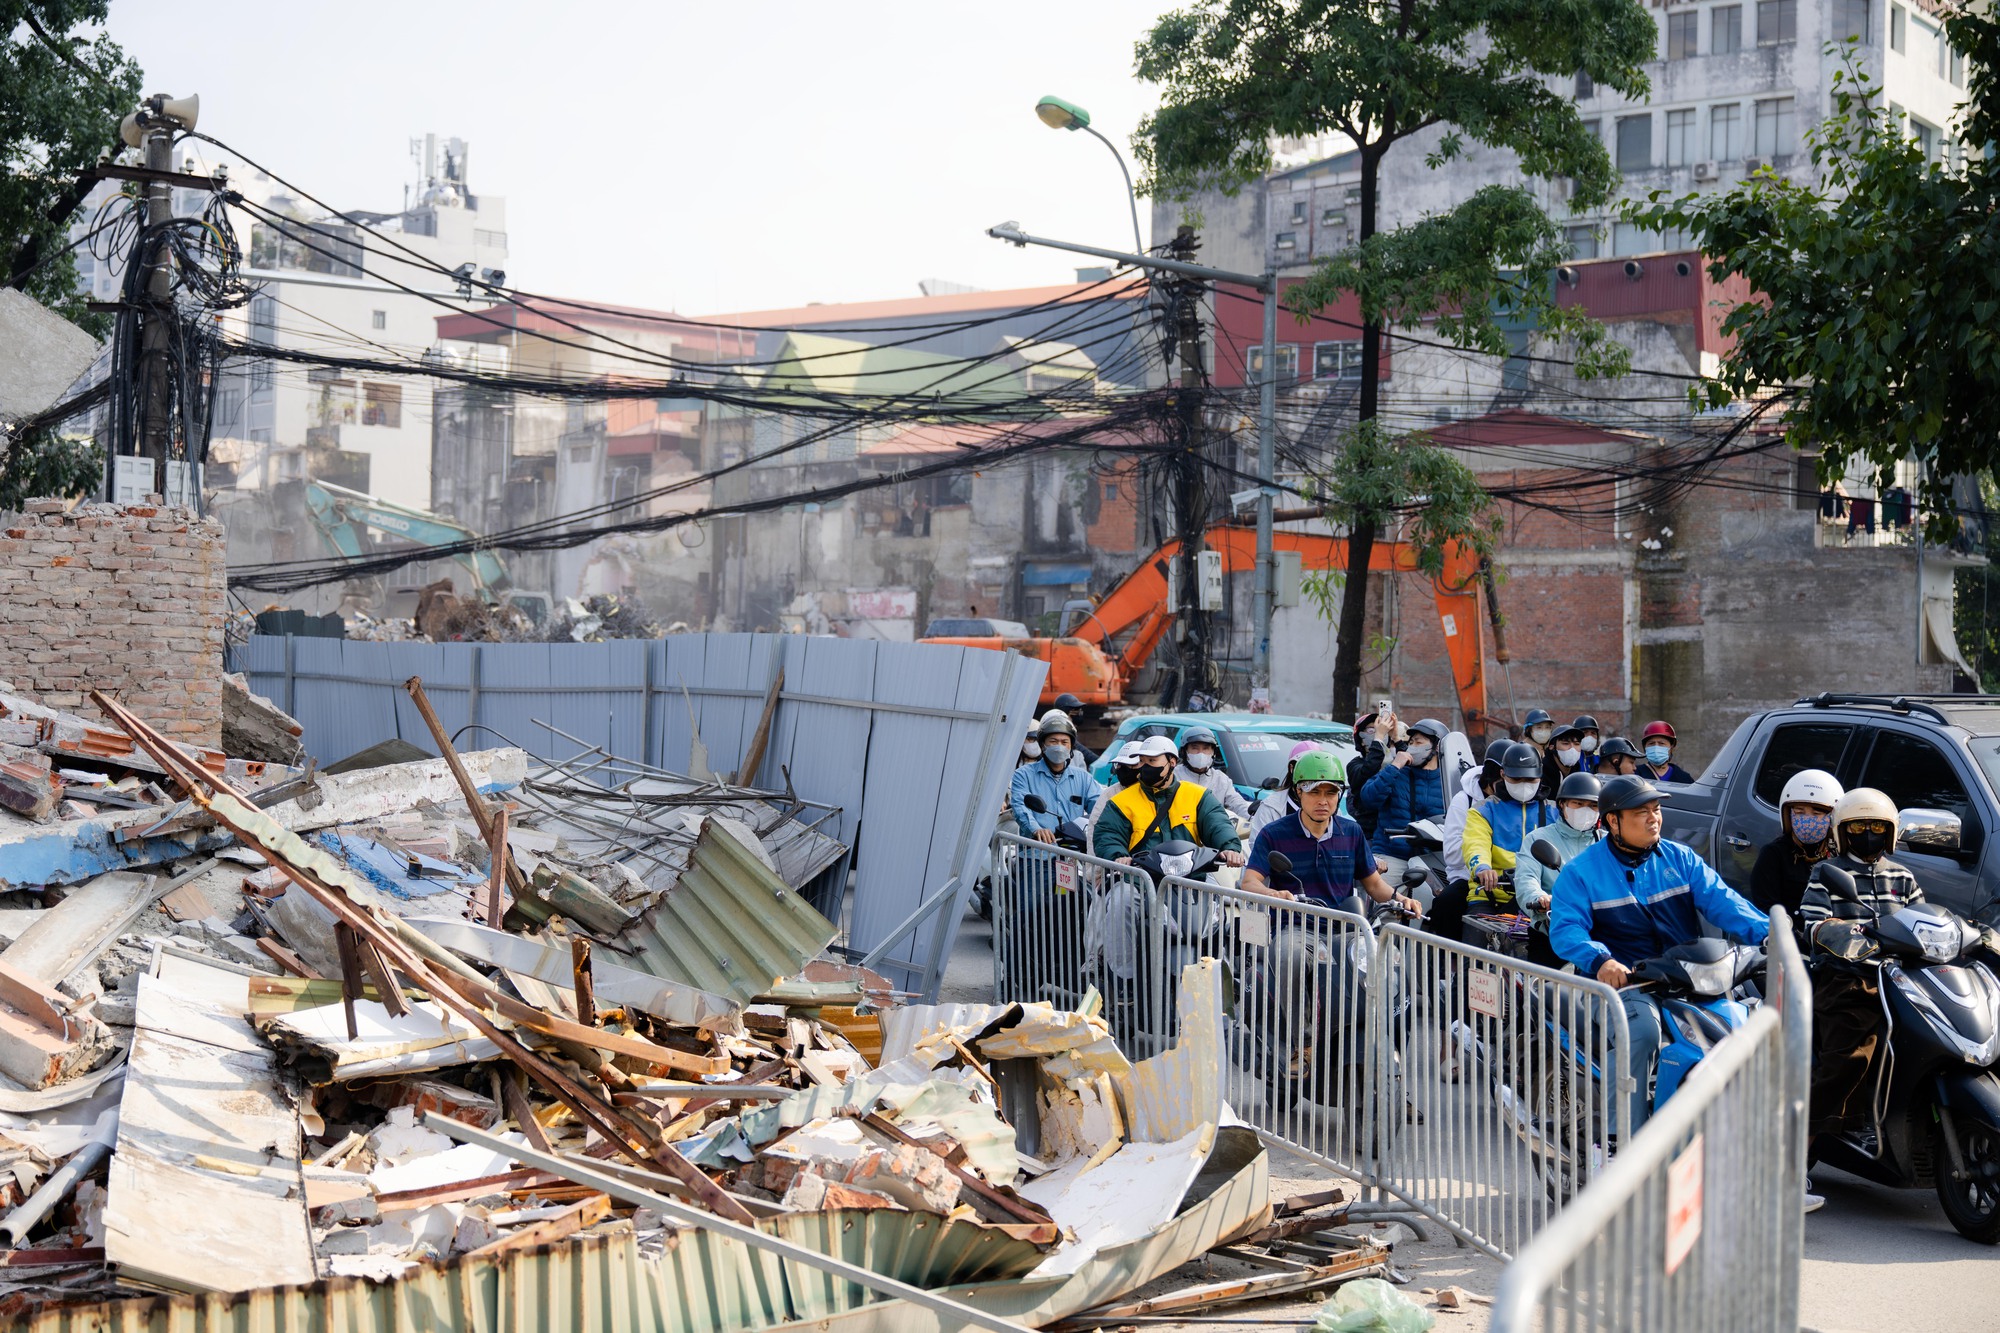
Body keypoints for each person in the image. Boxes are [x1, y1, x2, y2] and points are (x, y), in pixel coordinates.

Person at [1548, 775, 1770, 1133]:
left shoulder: (1681, 858)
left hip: (1686, 979)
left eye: (1657, 809)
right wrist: (1601, 960)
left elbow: (1724, 902)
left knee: (1744, 1025)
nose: (1654, 818)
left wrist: (1773, 933)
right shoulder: (1581, 872)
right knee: (1643, 1033)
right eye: (1641, 812)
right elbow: (1566, 929)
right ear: (1612, 822)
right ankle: (1617, 1143)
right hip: (1624, 987)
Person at [1798, 786, 1924, 1149]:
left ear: (1890, 831)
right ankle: (1804, 1140)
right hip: (1848, 979)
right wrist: (1843, 934)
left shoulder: (1903, 877)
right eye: (1857, 827)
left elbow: (1921, 921)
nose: (1867, 834)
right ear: (1841, 832)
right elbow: (1812, 924)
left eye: (1875, 826)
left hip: (1901, 981)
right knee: (1849, 1055)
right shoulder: (1827, 872)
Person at [1242, 752, 1421, 915]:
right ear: (1298, 792)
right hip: (1293, 927)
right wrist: (1272, 894)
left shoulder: (1352, 832)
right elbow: (1249, 882)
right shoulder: (1273, 834)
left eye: (1331, 793)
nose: (1323, 801)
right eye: (1314, 792)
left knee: (1381, 950)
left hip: (1344, 929)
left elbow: (1374, 884)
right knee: (1296, 951)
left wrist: (1401, 900)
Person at [1093, 735, 1244, 866]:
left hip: (1190, 877)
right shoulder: (1120, 801)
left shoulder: (1198, 795)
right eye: (1142, 761)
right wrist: (1118, 856)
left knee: (1216, 898)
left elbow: (1218, 824)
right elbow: (1107, 834)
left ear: (1172, 762)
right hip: (1138, 879)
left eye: (1152, 760)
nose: (1146, 766)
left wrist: (1229, 848)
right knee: (1123, 897)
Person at [1463, 742, 1556, 915]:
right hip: (1491, 895)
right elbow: (1475, 843)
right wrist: (1482, 868)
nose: (1523, 784)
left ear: (1540, 776)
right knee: (1474, 938)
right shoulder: (1483, 810)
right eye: (1516, 779)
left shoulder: (1555, 812)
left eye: (1530, 779)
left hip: (1541, 899)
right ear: (1502, 774)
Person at [1357, 717, 1449, 887]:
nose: (1413, 746)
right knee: (1386, 909)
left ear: (1437, 746)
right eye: (1411, 742)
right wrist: (1395, 765)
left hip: (1432, 858)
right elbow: (1369, 798)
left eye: (1418, 742)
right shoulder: (1396, 772)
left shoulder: (1449, 781)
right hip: (1392, 855)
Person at [1747, 769, 1844, 917]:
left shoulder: (1839, 855)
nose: (1807, 819)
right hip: (1790, 937)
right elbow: (1766, 908)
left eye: (1817, 814)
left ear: (1832, 817)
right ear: (1788, 815)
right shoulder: (1774, 854)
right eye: (1799, 812)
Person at [1439, 740, 1508, 941]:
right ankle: (1450, 962)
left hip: (1512, 879)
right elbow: (1453, 855)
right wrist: (1485, 860)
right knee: (1448, 902)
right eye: (1507, 782)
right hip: (1469, 878)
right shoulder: (1465, 801)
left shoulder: (1520, 804)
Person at [1009, 711, 1102, 844]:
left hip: (1072, 856)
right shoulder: (1023, 775)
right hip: (1037, 854)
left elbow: (1099, 808)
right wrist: (1036, 830)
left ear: (1071, 747)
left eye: (1064, 742)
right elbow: (1020, 806)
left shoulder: (1084, 778)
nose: (1059, 746)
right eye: (1053, 741)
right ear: (1042, 745)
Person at [1249, 740, 1326, 840]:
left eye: (1318, 767)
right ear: (1291, 768)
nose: (1312, 773)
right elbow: (1258, 845)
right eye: (1305, 766)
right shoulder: (1271, 807)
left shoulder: (1330, 804)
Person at [1177, 726, 1251, 821]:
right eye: (1195, 748)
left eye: (1206, 749)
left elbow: (1237, 803)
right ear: (1184, 752)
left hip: (1212, 830)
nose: (1201, 753)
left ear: (1213, 752)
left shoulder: (1221, 779)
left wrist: (1251, 817)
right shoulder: (1173, 776)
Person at [1085, 740, 1145, 842]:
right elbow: (1094, 830)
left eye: (1131, 765)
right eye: (1120, 764)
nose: (1123, 769)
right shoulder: (1109, 794)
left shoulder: (1154, 792)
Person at [1542, 720, 1591, 799]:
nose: (1572, 749)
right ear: (1552, 747)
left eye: (1576, 744)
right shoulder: (1541, 775)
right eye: (1565, 743)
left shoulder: (1579, 775)